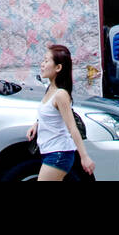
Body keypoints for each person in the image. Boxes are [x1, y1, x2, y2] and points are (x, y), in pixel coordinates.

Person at [27, 44, 96, 181]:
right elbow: (49, 114)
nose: (42, 64)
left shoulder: (60, 95)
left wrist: (84, 157)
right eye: (43, 60)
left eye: (46, 61)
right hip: (51, 152)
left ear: (58, 68)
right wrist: (36, 124)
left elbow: (72, 128)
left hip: (59, 155)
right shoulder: (50, 89)